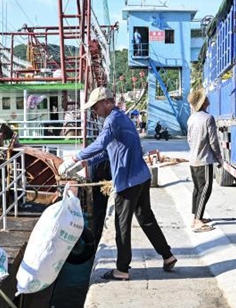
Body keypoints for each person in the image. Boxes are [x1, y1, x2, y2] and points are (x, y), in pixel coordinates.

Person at [60, 87, 176, 280]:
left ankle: (122, 269)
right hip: (141, 176)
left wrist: (75, 158)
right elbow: (108, 152)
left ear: (107, 102)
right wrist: (86, 162)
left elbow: (100, 143)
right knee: (146, 218)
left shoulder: (112, 120)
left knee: (122, 224)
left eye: (96, 107)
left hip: (128, 181)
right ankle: (167, 255)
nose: (94, 111)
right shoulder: (122, 118)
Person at [186, 88, 224, 232]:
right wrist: (219, 158)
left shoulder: (191, 118)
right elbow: (213, 141)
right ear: (203, 103)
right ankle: (197, 221)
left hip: (193, 159)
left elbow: (189, 139)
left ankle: (196, 217)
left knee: (197, 189)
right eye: (205, 98)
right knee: (205, 189)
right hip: (204, 160)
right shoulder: (208, 118)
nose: (208, 98)